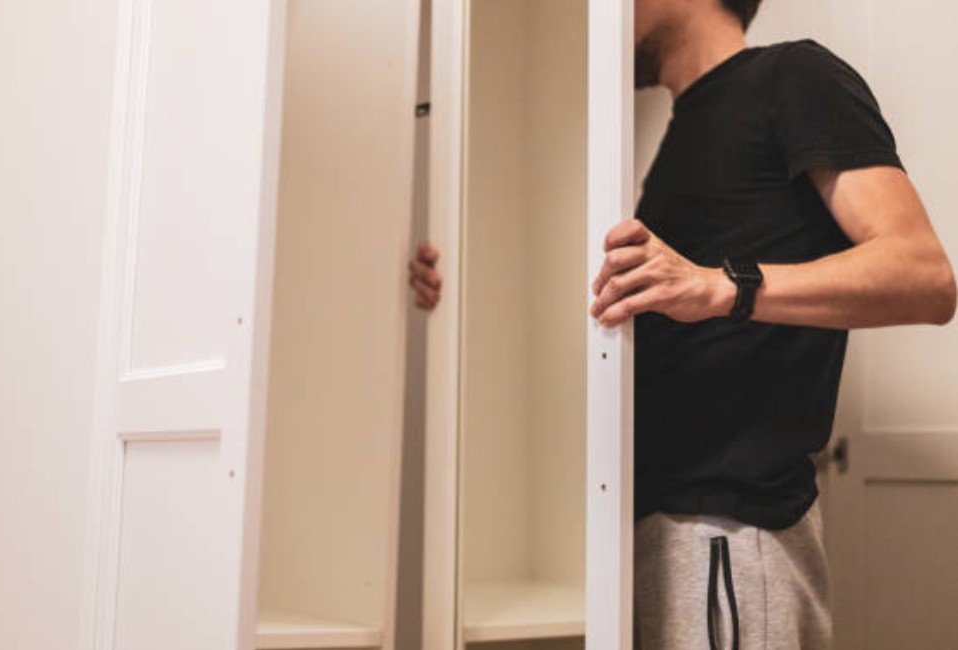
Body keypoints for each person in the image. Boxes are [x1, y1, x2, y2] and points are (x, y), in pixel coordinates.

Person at [408, 0, 957, 648]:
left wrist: (721, 284)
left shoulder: (793, 75)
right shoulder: (690, 124)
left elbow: (926, 277)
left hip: (726, 532)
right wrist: (437, 302)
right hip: (668, 530)